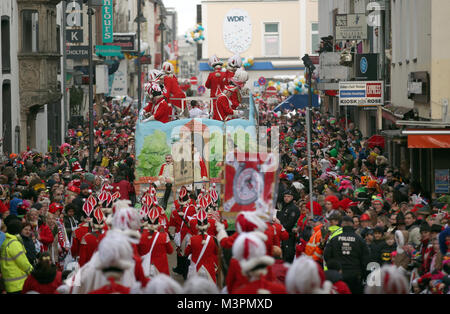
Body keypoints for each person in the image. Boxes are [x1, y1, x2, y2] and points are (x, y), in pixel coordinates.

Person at [323, 215, 370, 294]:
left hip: (338, 275)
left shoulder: (334, 239)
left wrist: (334, 268)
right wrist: (362, 272)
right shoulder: (360, 240)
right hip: (355, 275)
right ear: (353, 225)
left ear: (342, 225)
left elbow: (326, 255)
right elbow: (366, 257)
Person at [0, 217, 33, 293]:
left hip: (10, 284)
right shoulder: (14, 243)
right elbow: (23, 263)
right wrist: (32, 272)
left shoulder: (6, 241)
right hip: (18, 284)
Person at [276, 189, 300, 263]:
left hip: (289, 235)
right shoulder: (283, 207)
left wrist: (280, 225)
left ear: (292, 197)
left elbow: (290, 224)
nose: (286, 198)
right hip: (282, 234)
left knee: (288, 255)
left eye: (288, 196)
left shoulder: (294, 209)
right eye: (285, 196)